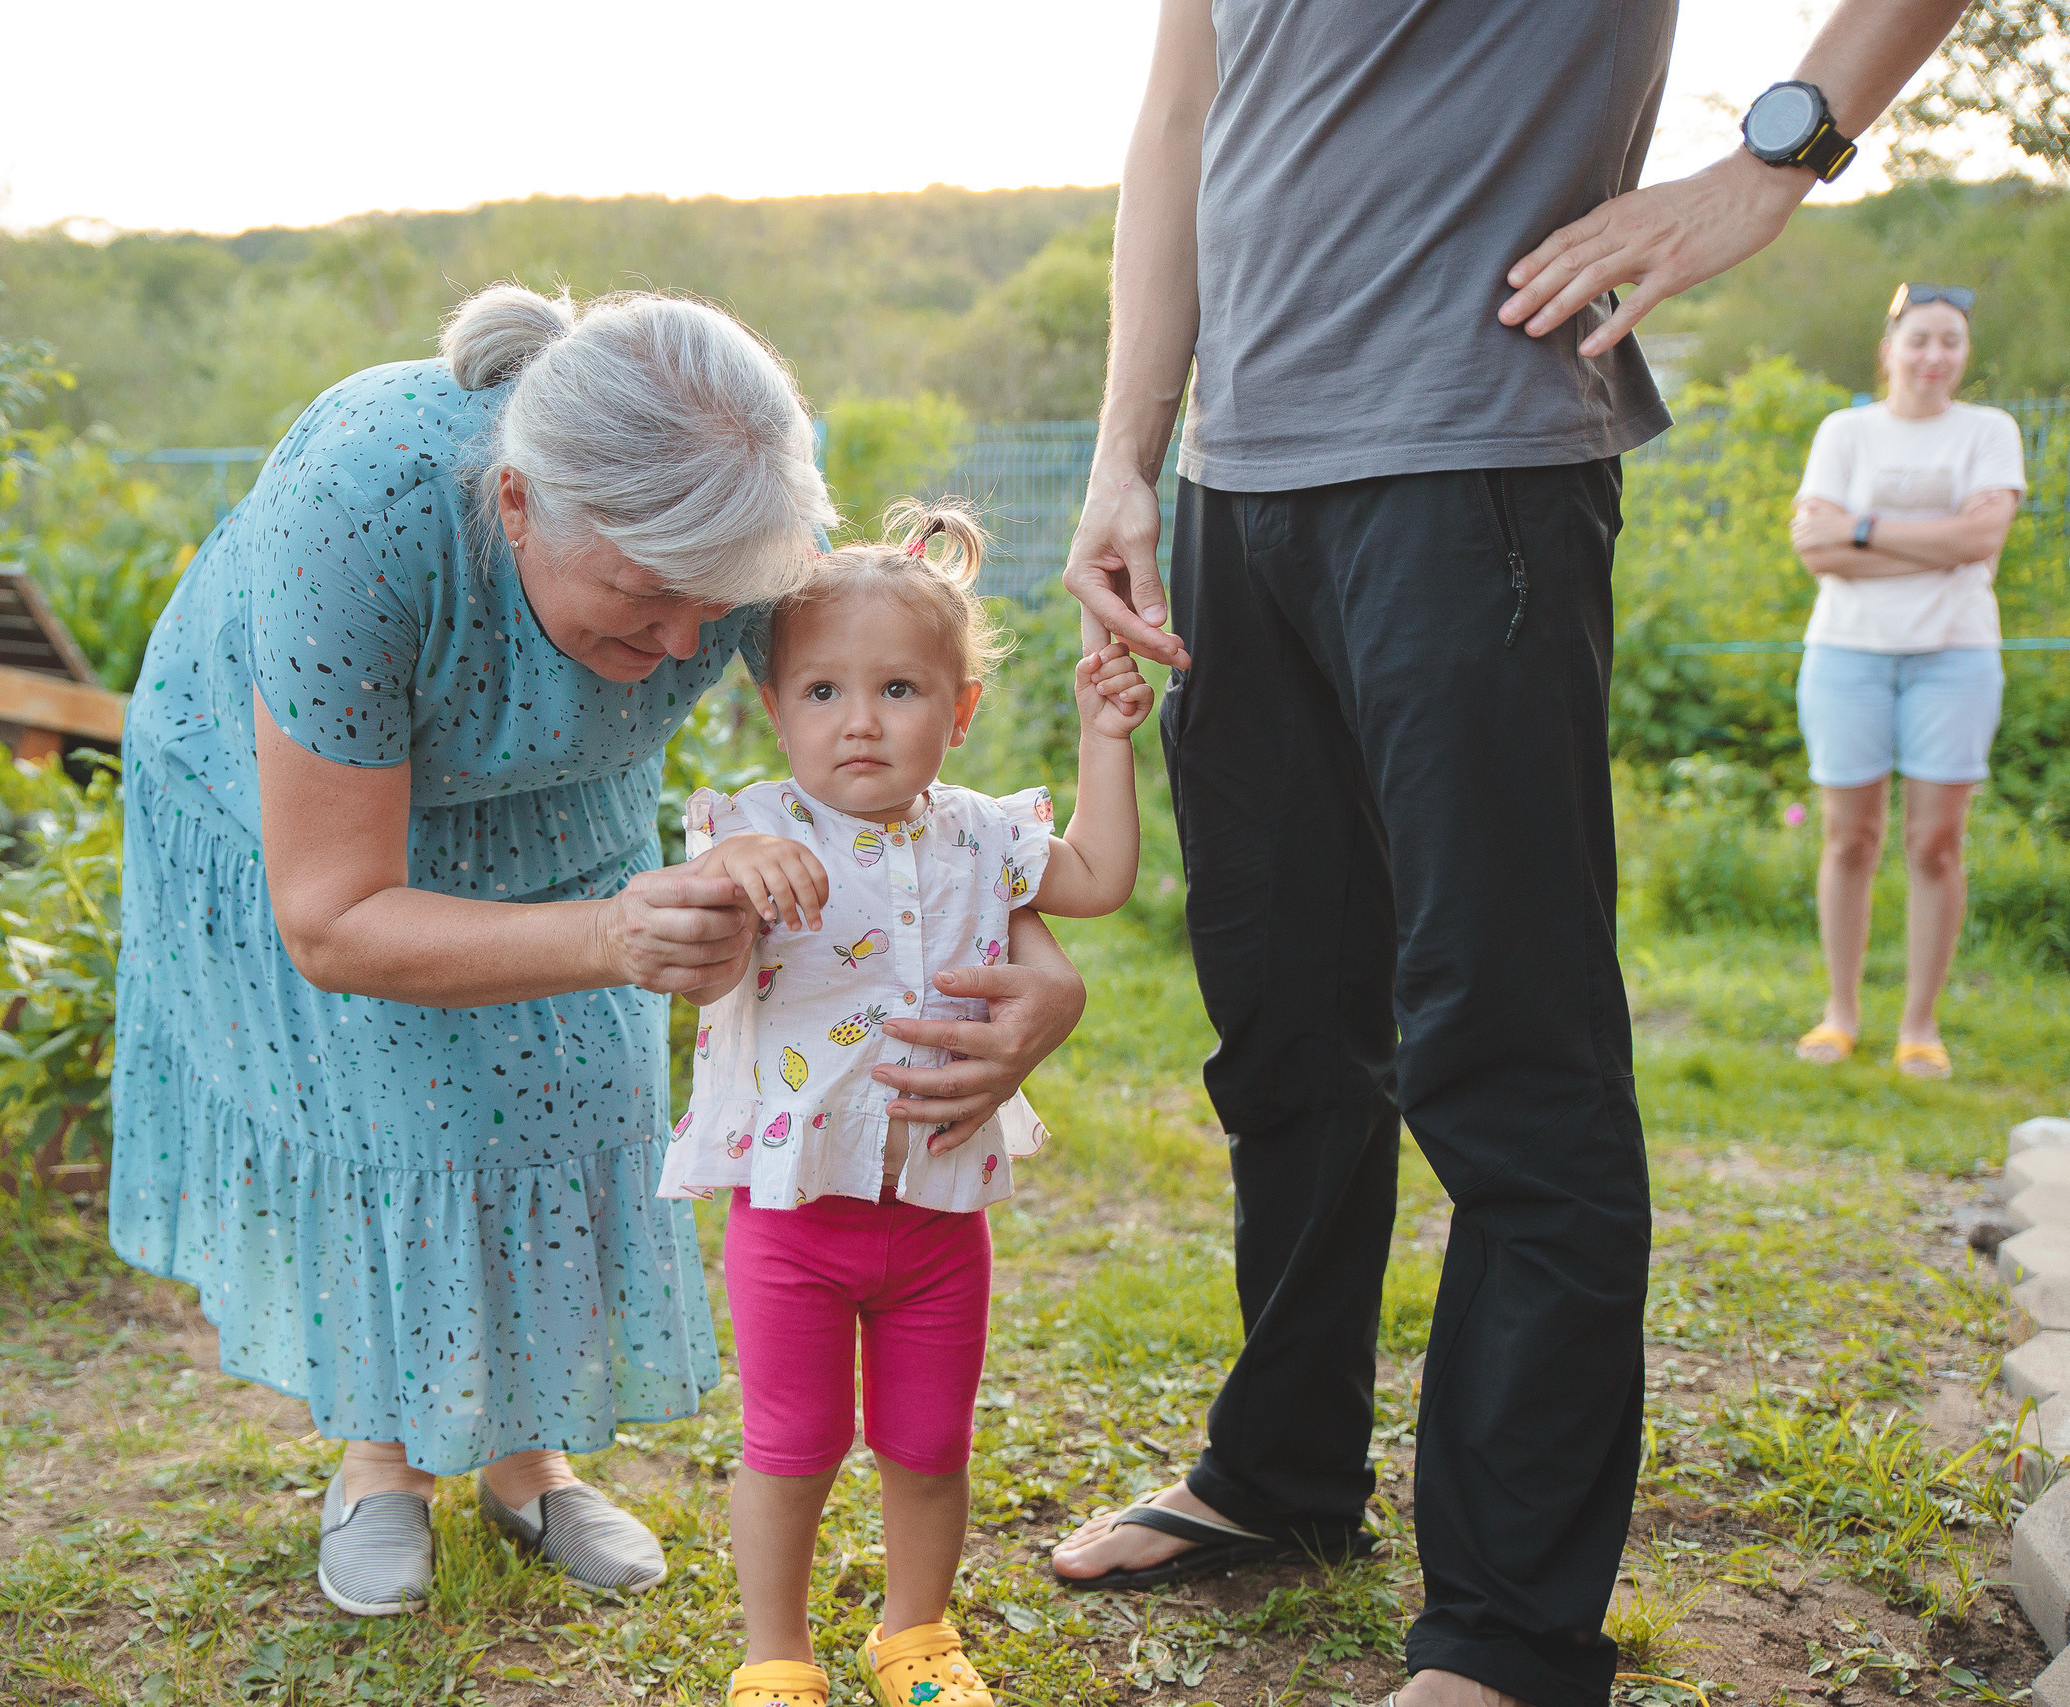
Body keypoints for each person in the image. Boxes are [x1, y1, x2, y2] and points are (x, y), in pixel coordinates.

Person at [1043, 3, 1975, 1706]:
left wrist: (1774, 156)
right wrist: (1124, 452)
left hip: (1470, 465)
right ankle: (1279, 1469)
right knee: (1284, 1028)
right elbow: (1182, 119)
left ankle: (1507, 1633)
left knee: (1506, 1048)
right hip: (1237, 488)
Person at [110, 286, 1090, 1619]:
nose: (687, 646)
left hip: (569, 792)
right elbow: (335, 916)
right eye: (644, 597)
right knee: (397, 1111)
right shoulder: (362, 512)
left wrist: (1042, 958)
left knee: (576, 1100)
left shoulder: (736, 518)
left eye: (718, 603)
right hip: (315, 802)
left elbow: (883, 734)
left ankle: (530, 1456)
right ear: (518, 505)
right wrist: (615, 930)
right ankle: (384, 1459)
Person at [660, 505, 1151, 1707]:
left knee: (930, 1447)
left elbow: (1098, 879)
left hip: (938, 1215)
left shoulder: (984, 837)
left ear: (959, 711)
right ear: (774, 709)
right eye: (822, 691)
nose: (861, 721)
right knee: (791, 1447)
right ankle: (775, 1652)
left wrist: (1105, 739)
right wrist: (722, 873)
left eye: (898, 689)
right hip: (794, 1221)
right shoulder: (751, 831)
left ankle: (916, 1636)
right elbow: (686, 942)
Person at [1789, 284, 2023, 1079]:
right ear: (1889, 348)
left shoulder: (1989, 431)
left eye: (1950, 341)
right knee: (1849, 839)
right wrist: (1940, 543)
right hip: (1846, 655)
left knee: (1935, 844)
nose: (1934, 355)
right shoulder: (1845, 432)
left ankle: (1919, 1025)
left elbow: (1984, 536)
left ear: (1965, 353)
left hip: (1956, 656)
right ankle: (1840, 1013)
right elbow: (1815, 550)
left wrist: (1860, 530)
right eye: (1919, 339)